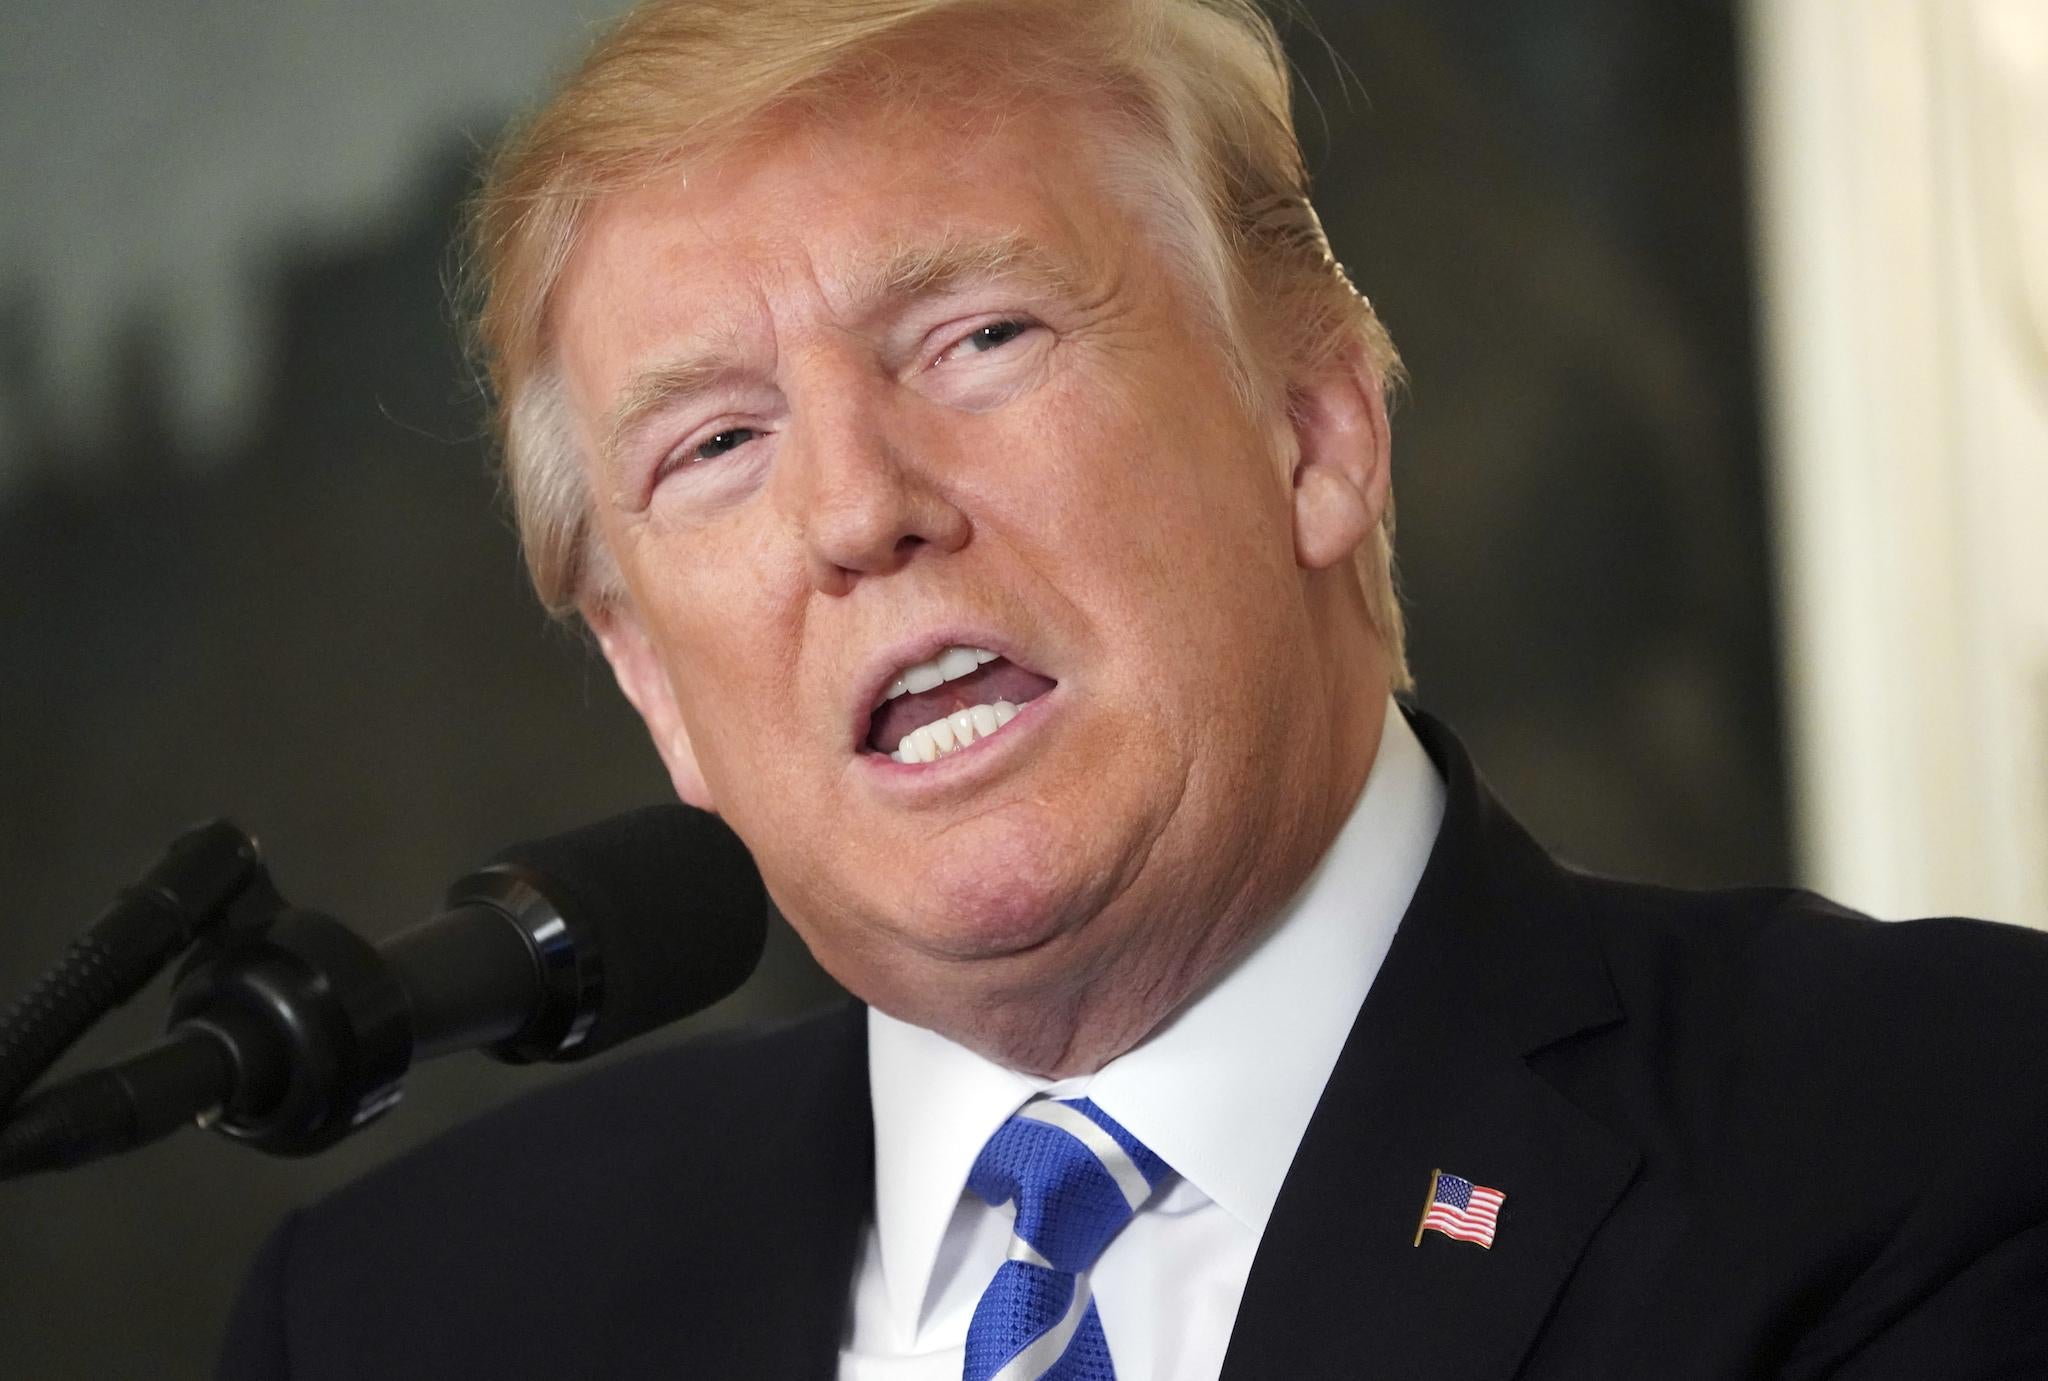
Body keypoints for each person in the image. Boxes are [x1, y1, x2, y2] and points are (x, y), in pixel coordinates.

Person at [218, 1, 2048, 1377]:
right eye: (714, 443)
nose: (858, 510)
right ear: (653, 687)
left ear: (1315, 430)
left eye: (979, 337)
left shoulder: (1932, 1132)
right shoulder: (404, 1319)